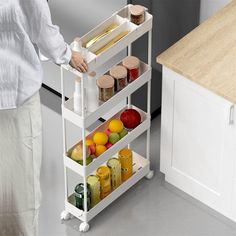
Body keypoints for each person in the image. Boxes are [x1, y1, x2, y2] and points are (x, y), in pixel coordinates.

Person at [0, 0, 87, 235]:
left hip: (16, 95)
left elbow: (39, 23)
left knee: (17, 185)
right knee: (20, 185)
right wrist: (67, 53)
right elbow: (40, 25)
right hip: (16, 96)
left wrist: (66, 53)